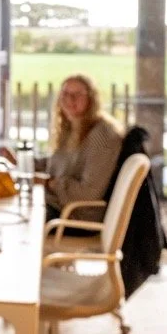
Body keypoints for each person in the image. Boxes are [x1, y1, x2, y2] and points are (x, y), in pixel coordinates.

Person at [37, 74, 124, 223]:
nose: (70, 100)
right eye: (65, 94)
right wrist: (19, 161)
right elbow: (56, 164)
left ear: (92, 99)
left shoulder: (102, 135)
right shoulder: (73, 127)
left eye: (77, 95)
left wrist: (49, 183)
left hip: (75, 216)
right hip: (58, 205)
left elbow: (89, 193)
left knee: (20, 217)